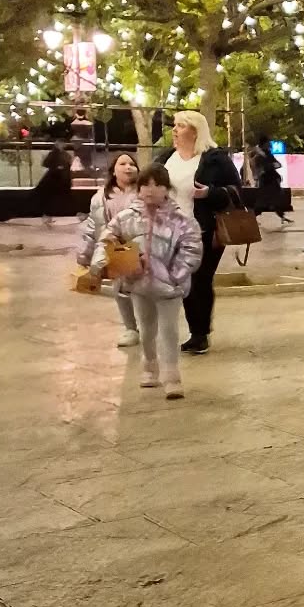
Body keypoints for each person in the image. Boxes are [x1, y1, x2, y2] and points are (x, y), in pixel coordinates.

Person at [88, 164, 202, 400]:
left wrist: (174, 276)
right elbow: (106, 241)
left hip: (169, 288)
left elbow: (191, 250)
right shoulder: (125, 219)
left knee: (169, 331)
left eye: (157, 184)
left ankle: (172, 377)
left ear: (166, 188)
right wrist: (102, 264)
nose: (151, 190)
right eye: (145, 185)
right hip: (138, 285)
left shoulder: (182, 221)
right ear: (138, 189)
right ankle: (149, 366)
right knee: (147, 329)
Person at [157, 110, 241, 356]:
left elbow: (237, 191)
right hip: (170, 231)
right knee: (182, 280)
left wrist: (209, 194)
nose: (174, 130)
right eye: (174, 125)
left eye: (180, 126)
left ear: (195, 131)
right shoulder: (166, 158)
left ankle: (199, 333)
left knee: (199, 279)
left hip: (205, 229)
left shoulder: (214, 159)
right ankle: (189, 330)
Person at [78, 153, 143, 348]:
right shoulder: (101, 197)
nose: (128, 167)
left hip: (141, 246)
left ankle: (151, 326)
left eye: (132, 164)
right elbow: (93, 225)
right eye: (123, 164)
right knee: (121, 288)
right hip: (115, 248)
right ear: (113, 170)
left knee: (148, 290)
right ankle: (131, 328)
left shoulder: (144, 192)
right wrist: (85, 253)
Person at [255, 133, 290, 225]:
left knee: (275, 200)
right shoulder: (259, 155)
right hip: (267, 181)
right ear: (263, 143)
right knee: (265, 201)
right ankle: (252, 218)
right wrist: (270, 166)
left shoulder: (267, 153)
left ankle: (282, 217)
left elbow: (277, 164)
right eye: (267, 142)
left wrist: (271, 166)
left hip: (272, 180)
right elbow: (262, 168)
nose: (269, 144)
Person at [34, 143, 74, 222]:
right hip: (54, 179)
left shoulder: (66, 155)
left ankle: (48, 213)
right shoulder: (55, 154)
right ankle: (47, 214)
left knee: (52, 196)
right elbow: (46, 163)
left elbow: (67, 168)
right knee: (49, 195)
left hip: (59, 180)